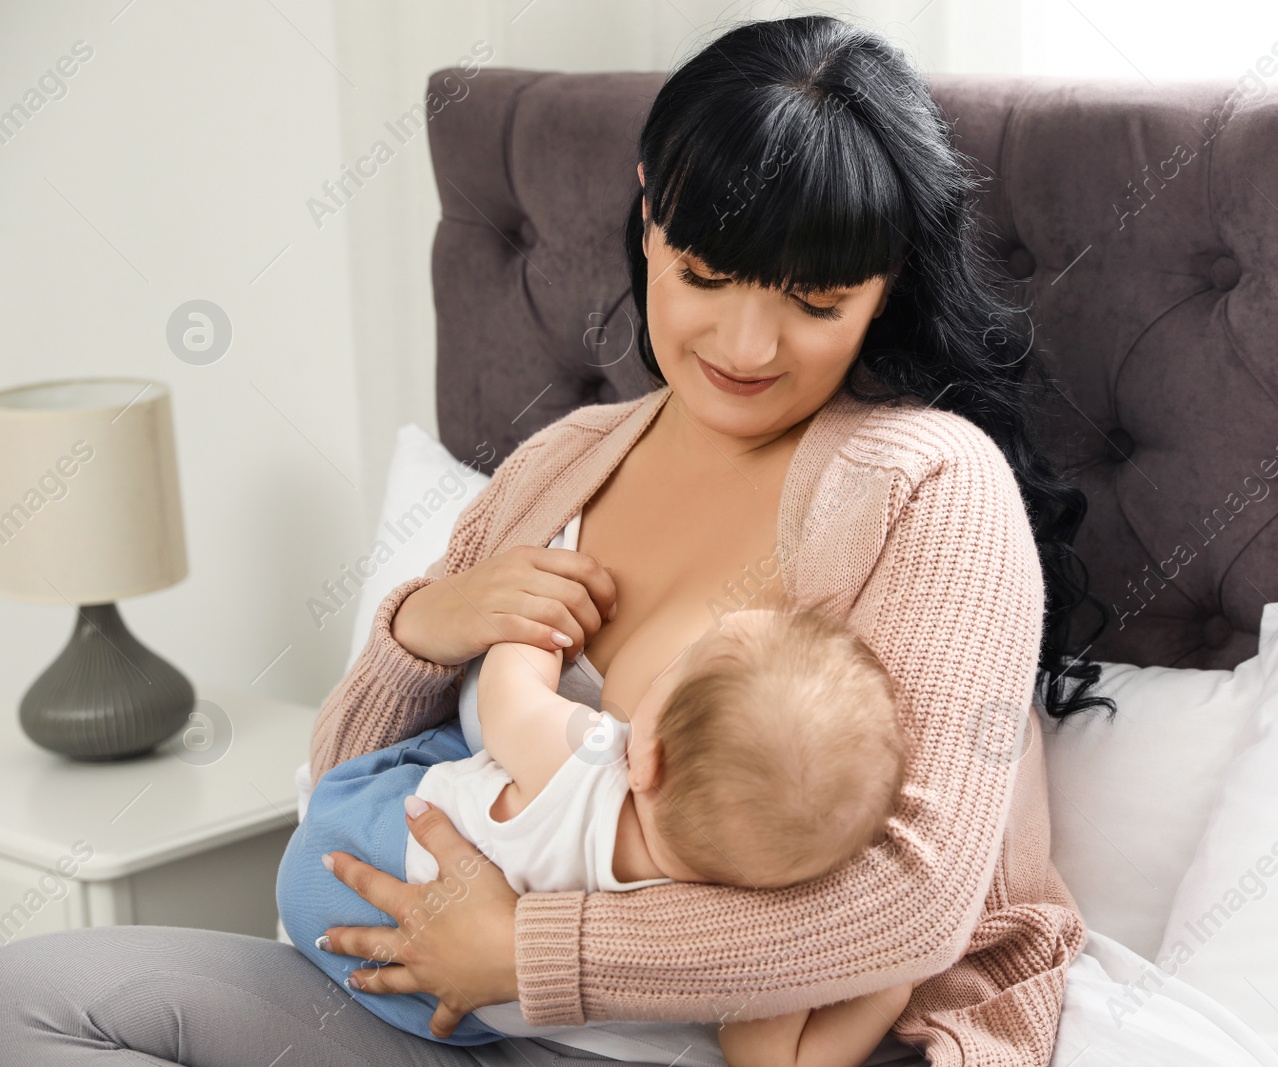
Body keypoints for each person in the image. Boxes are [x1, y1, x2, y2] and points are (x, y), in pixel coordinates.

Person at [0, 13, 1111, 1066]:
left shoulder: (927, 486)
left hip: (694, 1044)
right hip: (442, 1018)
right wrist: (422, 632)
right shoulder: (560, 460)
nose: (747, 341)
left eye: (815, 302)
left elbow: (914, 902)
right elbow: (342, 789)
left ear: (887, 287)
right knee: (32, 999)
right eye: (705, 276)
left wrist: (530, 952)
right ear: (647, 214)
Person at [278, 601, 917, 1067]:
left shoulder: (589, 761)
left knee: (459, 749)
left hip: (354, 851)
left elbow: (509, 693)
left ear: (648, 758)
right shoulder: (737, 926)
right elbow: (773, 1063)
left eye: (681, 667)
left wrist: (539, 633)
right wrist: (896, 977)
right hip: (457, 1014)